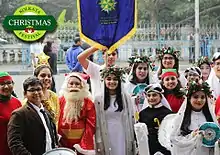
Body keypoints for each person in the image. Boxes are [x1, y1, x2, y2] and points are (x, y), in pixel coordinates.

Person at [158, 81, 220, 155]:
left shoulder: (210, 118)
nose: (199, 100)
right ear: (189, 98)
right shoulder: (182, 118)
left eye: (202, 97)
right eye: (195, 97)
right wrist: (192, 136)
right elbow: (174, 139)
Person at [7, 77, 58, 155]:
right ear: (25, 94)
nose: (36, 93)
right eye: (32, 90)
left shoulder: (46, 112)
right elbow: (14, 143)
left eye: (38, 89)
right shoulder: (19, 114)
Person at [95, 66, 135, 155]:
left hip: (122, 133)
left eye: (115, 79)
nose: (112, 82)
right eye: (109, 79)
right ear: (104, 81)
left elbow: (131, 119)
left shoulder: (126, 97)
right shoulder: (98, 99)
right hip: (106, 133)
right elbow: (97, 122)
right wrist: (98, 141)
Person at [58, 72, 96, 154]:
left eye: (77, 84)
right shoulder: (60, 100)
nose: (74, 86)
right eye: (71, 84)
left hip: (81, 142)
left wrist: (82, 145)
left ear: (83, 86)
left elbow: (90, 126)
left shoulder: (88, 102)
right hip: (63, 141)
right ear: (66, 85)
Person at [139, 84, 172, 155]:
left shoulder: (168, 113)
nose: (151, 98)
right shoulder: (142, 113)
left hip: (162, 148)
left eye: (154, 95)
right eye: (149, 95)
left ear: (160, 96)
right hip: (147, 146)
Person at [0, 72, 22, 155]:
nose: (6, 86)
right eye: (2, 84)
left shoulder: (17, 102)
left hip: (15, 148)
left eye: (8, 83)